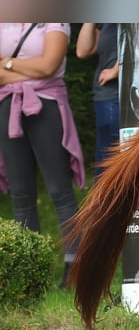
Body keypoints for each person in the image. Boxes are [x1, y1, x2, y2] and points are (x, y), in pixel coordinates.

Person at [0, 23, 85, 289]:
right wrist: (29, 70)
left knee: (60, 191)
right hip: (7, 106)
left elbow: (49, 66)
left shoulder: (53, 19)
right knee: (21, 194)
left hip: (46, 106)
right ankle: (29, 273)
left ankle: (76, 268)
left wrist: (9, 64)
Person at [76, 23, 119, 183]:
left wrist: (116, 69)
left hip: (125, 96)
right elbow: (82, 51)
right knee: (105, 169)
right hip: (105, 96)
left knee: (116, 167)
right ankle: (104, 206)